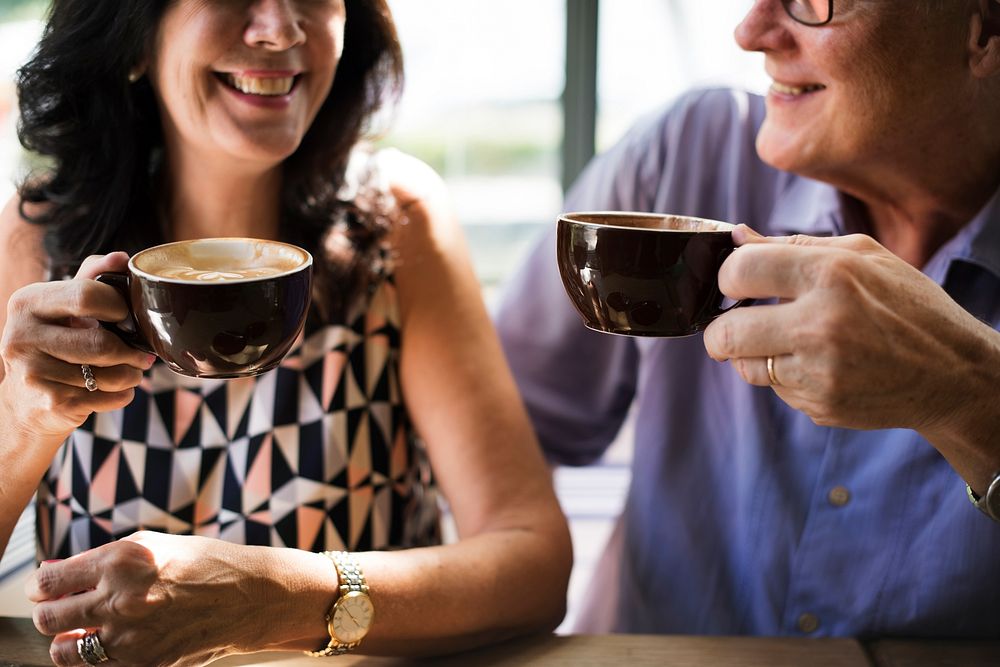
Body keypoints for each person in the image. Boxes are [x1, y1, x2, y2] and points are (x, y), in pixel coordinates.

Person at [0, 0, 571, 663]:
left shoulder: (397, 223)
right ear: (133, 32)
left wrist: (279, 595)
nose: (281, 27)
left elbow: (534, 561)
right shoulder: (38, 241)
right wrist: (23, 423)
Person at [497, 0, 1000, 637]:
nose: (749, 33)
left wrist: (970, 391)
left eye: (816, 3)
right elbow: (506, 425)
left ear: (985, 28)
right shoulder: (689, 155)